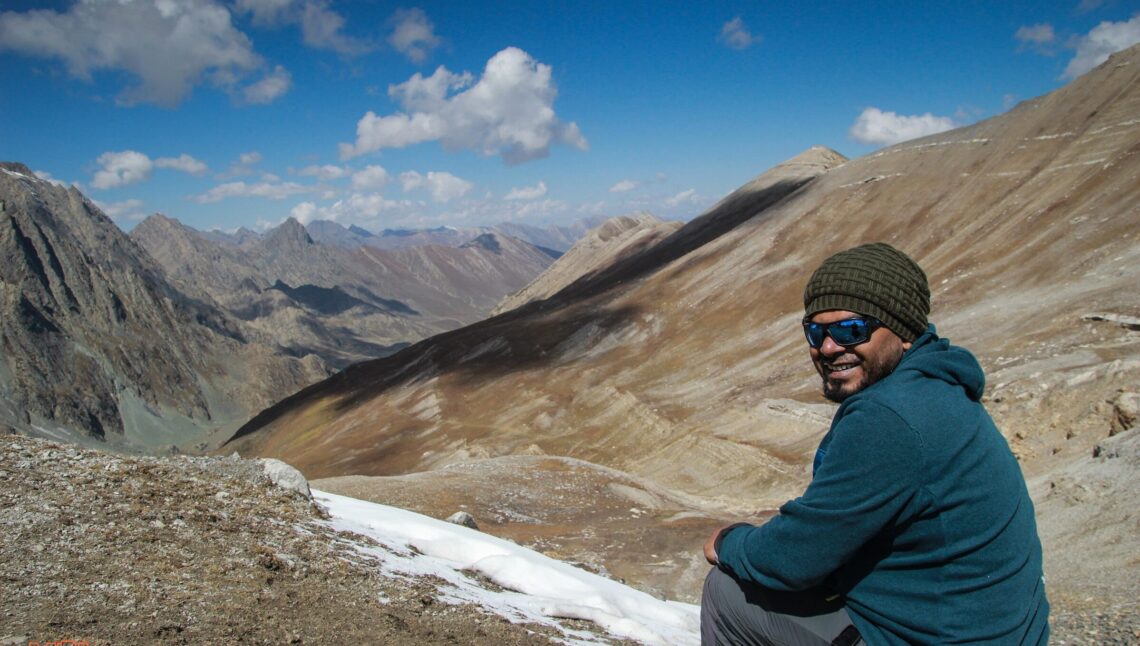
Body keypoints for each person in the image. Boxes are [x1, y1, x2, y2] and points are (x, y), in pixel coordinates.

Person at [700, 242, 1049, 645]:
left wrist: (729, 542)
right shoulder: (939, 386)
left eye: (852, 330)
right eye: (816, 331)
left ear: (903, 332)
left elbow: (794, 558)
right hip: (990, 630)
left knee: (726, 592)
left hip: (946, 637)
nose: (828, 348)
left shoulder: (889, 418)